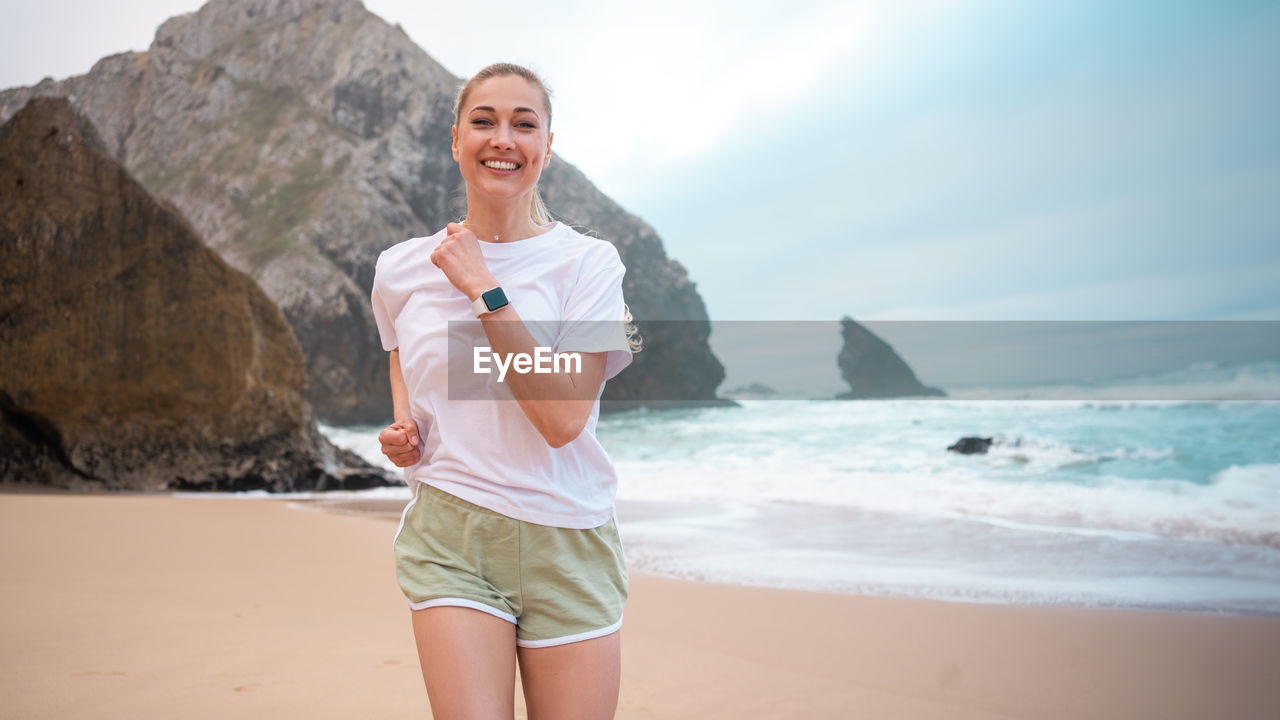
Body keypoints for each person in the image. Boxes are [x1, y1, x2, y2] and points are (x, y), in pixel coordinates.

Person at [369, 62, 637, 720]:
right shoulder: (401, 267)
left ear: (547, 145)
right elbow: (401, 348)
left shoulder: (590, 264)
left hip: (569, 538)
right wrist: (409, 424)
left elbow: (562, 417)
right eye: (484, 121)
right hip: (452, 535)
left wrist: (484, 290)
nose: (503, 139)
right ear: (455, 137)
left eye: (524, 124)